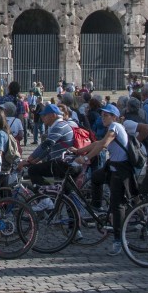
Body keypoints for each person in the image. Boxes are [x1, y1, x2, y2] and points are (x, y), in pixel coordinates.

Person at [75, 103, 136, 256]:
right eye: (102, 115)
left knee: (117, 205)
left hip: (120, 171)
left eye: (106, 115)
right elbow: (97, 143)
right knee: (96, 177)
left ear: (114, 117)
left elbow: (103, 144)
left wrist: (86, 158)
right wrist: (79, 150)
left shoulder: (115, 127)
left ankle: (118, 240)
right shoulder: (111, 128)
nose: (103, 118)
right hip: (112, 167)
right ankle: (97, 207)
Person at [20, 103, 74, 184]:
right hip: (62, 162)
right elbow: (49, 148)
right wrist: (36, 160)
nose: (42, 118)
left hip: (61, 163)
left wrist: (29, 159)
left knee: (32, 171)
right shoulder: (59, 125)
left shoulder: (59, 126)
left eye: (44, 115)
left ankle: (45, 194)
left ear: (53, 115)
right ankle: (52, 191)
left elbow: (46, 145)